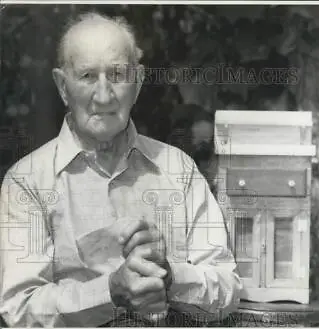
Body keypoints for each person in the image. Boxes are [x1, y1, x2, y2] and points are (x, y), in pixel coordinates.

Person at [0, 12, 241, 327]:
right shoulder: (27, 182)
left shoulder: (178, 169)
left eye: (117, 74)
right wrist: (109, 291)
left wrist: (170, 276)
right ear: (62, 86)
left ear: (138, 82)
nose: (103, 95)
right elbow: (19, 310)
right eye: (87, 76)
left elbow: (228, 290)